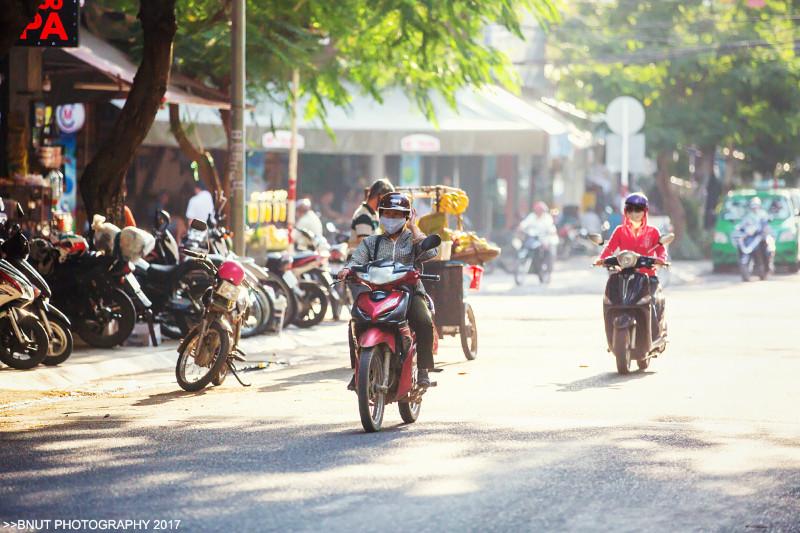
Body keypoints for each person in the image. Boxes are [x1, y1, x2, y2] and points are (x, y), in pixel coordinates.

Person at [338, 192, 438, 389]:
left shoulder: (412, 239)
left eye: (397, 215)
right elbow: (357, 260)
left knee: (424, 322)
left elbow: (431, 252)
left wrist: (414, 227)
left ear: (406, 217)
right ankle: (358, 370)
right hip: (378, 293)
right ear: (381, 215)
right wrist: (347, 269)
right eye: (388, 214)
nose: (391, 219)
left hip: (409, 292)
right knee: (355, 322)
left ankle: (424, 368)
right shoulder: (371, 242)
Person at [594, 193, 667, 331]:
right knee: (611, 300)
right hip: (624, 276)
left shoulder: (652, 232)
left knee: (652, 302)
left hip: (647, 276)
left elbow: (661, 250)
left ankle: (656, 332)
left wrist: (661, 260)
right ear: (626, 211)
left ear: (645, 211)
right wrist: (601, 259)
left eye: (638, 209)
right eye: (630, 210)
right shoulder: (620, 231)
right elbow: (610, 248)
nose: (634, 213)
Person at [349, 178, 394, 248]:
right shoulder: (364, 216)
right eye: (387, 200)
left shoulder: (372, 214)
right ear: (380, 196)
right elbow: (366, 248)